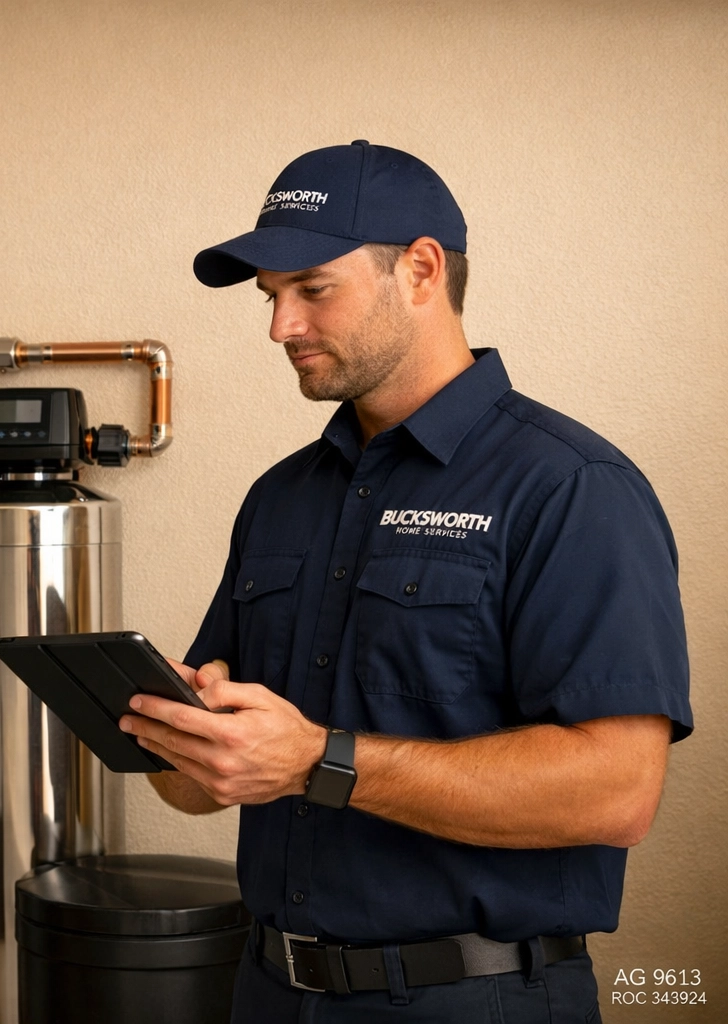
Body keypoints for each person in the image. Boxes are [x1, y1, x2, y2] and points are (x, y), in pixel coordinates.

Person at [118, 140, 693, 1023]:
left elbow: (618, 790)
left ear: (421, 271)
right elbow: (203, 781)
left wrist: (319, 760)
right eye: (273, 299)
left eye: (314, 288)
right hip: (267, 994)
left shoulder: (571, 489)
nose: (281, 328)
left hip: (473, 999)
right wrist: (183, 739)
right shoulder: (280, 497)